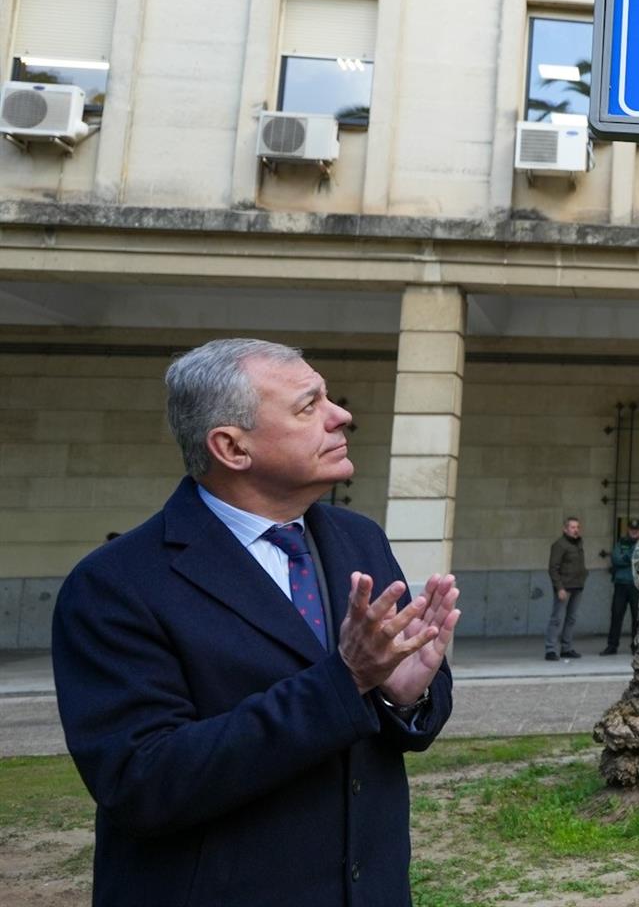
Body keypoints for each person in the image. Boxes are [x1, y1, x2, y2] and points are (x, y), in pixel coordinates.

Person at [51, 338, 458, 904]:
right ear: (231, 447)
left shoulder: (359, 538)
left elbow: (389, 712)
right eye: (309, 406)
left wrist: (402, 697)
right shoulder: (115, 584)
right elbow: (142, 784)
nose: (341, 416)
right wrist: (345, 681)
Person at [546, 514, 587, 660]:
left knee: (571, 618)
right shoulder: (559, 545)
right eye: (572, 527)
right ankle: (550, 649)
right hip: (564, 587)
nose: (576, 530)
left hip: (577, 586)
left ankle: (566, 648)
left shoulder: (578, 543)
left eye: (577, 527)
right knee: (557, 618)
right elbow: (553, 568)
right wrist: (559, 588)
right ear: (565, 529)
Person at [600, 517, 639, 655]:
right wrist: (630, 557)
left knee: (637, 617)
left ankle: (636, 646)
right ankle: (612, 645)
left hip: (636, 585)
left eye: (636, 529)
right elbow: (615, 558)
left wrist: (626, 557)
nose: (634, 532)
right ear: (628, 529)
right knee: (616, 615)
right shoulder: (621, 542)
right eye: (632, 529)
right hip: (621, 584)